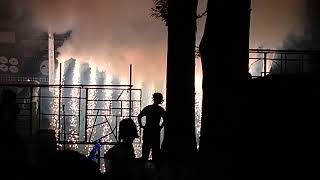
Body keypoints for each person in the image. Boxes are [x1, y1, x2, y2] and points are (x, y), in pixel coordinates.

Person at [138, 92, 166, 163]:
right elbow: (165, 120)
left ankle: (144, 166)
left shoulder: (148, 108)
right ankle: (154, 167)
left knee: (145, 150)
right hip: (156, 131)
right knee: (155, 150)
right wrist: (160, 127)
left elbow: (139, 116)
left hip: (147, 130)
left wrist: (141, 125)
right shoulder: (160, 109)